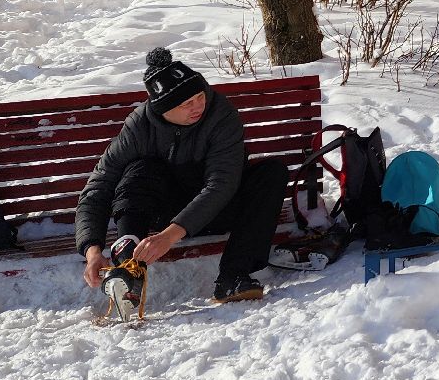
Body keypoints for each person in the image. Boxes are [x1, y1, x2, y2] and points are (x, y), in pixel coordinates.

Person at [75, 48, 288, 304]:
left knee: (271, 174)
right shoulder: (139, 126)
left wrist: (169, 237)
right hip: (164, 213)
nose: (198, 105)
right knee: (140, 169)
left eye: (199, 96)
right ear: (163, 109)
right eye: (187, 103)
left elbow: (221, 184)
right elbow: (98, 186)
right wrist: (92, 250)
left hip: (221, 208)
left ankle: (234, 277)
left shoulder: (221, 114)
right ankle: (129, 265)